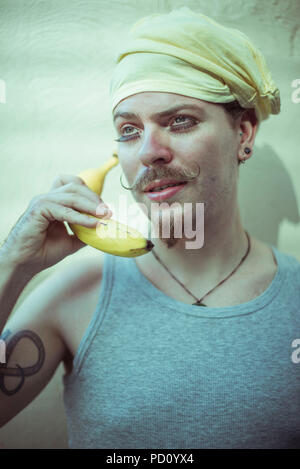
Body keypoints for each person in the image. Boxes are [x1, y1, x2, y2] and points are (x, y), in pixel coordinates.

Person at [0, 7, 300, 449]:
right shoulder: (77, 294)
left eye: (180, 120)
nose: (149, 151)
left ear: (244, 135)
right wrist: (13, 265)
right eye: (128, 129)